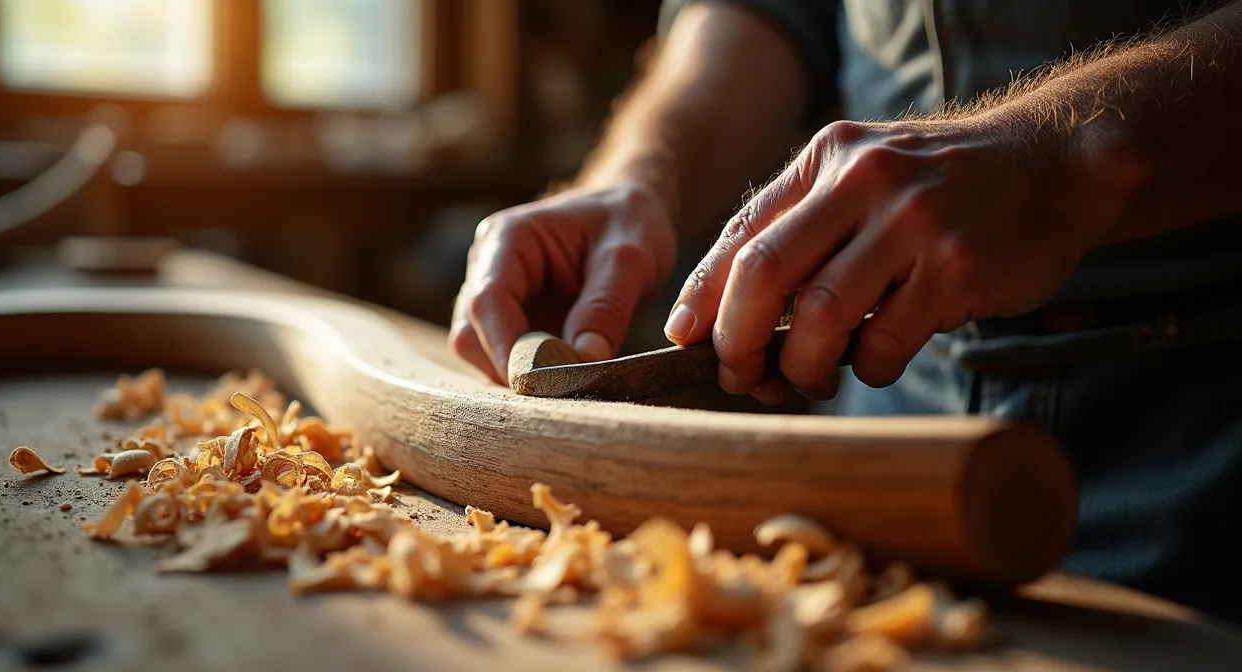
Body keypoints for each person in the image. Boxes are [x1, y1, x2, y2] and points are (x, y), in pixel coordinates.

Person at [449, 0, 1242, 622]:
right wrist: (638, 175)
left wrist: (1070, 157)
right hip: (881, 445)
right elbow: (772, 9)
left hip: (1200, 454)